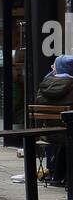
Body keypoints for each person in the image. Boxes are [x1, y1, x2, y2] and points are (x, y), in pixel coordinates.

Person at [37, 55, 73, 186]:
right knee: (68, 137)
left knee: (65, 140)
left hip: (48, 134)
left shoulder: (45, 85)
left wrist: (53, 73)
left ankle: (57, 176)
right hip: (68, 133)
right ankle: (64, 177)